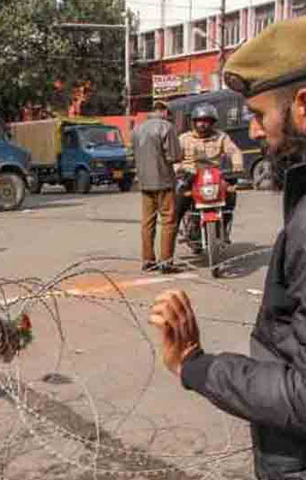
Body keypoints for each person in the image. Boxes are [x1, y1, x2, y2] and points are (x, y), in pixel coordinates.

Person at [149, 17, 306, 479]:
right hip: (192, 185)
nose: (253, 130)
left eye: (258, 115)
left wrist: (194, 366)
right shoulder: (185, 140)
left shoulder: (221, 142)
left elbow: (301, 396)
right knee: (174, 205)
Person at [175, 103, 244, 240]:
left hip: (214, 176)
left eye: (206, 121)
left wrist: (237, 165)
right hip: (190, 176)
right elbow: (175, 158)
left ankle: (223, 228)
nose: (202, 124)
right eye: (199, 121)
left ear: (212, 123)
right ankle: (174, 230)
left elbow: (234, 151)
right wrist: (179, 168)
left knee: (231, 194)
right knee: (179, 199)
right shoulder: (184, 139)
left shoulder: (221, 137)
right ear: (194, 122)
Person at [132, 100, 181, 273]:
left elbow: (134, 154)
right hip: (164, 181)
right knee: (168, 221)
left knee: (147, 222)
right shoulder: (166, 127)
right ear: (166, 112)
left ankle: (148, 260)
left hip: (145, 182)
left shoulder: (137, 129)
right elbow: (174, 156)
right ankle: (166, 262)